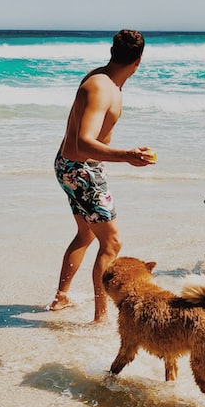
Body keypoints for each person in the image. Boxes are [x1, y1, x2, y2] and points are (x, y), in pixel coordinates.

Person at [49, 29, 153, 321]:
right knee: (112, 243)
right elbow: (83, 142)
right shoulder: (101, 87)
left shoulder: (104, 79)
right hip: (81, 169)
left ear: (112, 51)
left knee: (85, 234)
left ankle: (61, 297)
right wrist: (127, 156)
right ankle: (101, 317)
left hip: (70, 167)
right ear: (139, 60)